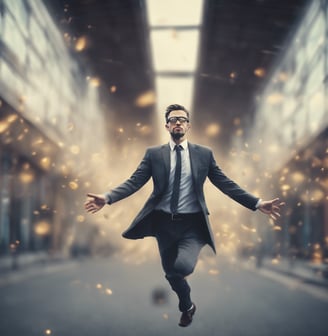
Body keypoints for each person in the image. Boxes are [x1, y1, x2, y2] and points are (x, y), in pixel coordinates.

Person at [84, 104, 284, 327]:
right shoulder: (153, 154)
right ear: (167, 125)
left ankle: (185, 297)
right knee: (171, 274)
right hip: (164, 225)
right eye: (173, 119)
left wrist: (257, 203)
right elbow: (134, 181)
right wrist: (108, 197)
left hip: (192, 226)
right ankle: (188, 306)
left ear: (188, 125)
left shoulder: (204, 155)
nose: (177, 122)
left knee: (182, 268)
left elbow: (226, 184)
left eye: (182, 119)